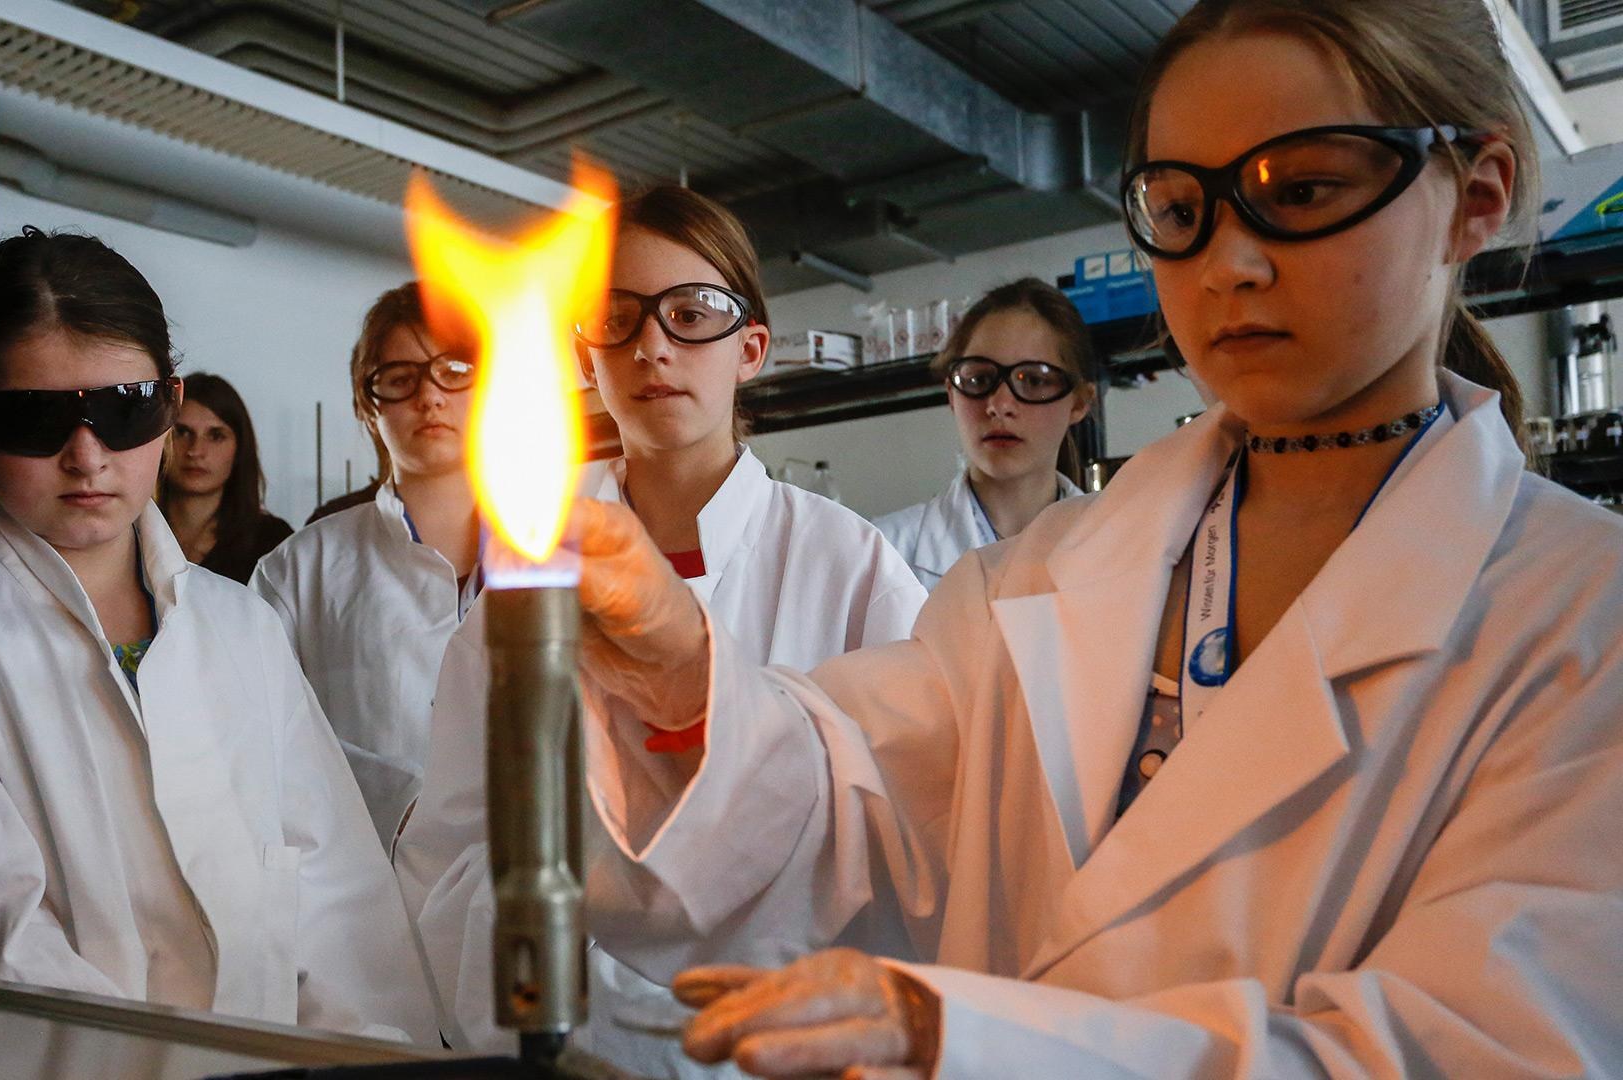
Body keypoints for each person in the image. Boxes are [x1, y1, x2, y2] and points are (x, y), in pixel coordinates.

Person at [558, 2, 1623, 1075]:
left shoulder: (1584, 619)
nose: (1229, 264)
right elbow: (850, 812)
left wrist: (970, 1042)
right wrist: (685, 675)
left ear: (1473, 199)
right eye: (1179, 207)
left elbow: (1495, 1048)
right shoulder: (1030, 583)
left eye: (1301, 190)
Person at [395, 187, 926, 1075]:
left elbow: (904, 840)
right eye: (618, 318)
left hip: (791, 1048)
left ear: (750, 349)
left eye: (692, 314)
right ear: (585, 352)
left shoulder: (851, 565)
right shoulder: (528, 578)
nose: (653, 347)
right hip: (577, 1042)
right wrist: (582, 985)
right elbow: (450, 848)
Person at [0, 227, 435, 1043]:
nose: (86, 457)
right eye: (35, 419)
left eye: (123, 410)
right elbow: (0, 932)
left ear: (168, 406)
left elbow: (338, 901)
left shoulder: (238, 623)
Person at [252, 282, 483, 852]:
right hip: (367, 894)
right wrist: (399, 805)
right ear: (366, 403)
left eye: (454, 369)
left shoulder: (571, 552)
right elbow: (254, 731)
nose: (430, 396)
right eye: (400, 379)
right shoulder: (299, 569)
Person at [874, 279, 1094, 591]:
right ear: (952, 394)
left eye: (1033, 380)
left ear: (1080, 402)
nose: (1000, 405)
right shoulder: (883, 553)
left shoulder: (1123, 545)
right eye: (978, 379)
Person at [158, 372, 293, 583]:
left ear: (239, 449)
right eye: (182, 432)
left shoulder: (272, 541)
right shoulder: (131, 533)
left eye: (216, 436)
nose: (195, 451)